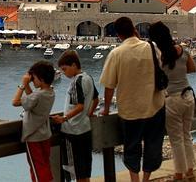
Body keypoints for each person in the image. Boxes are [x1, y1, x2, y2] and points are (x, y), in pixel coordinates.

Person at [100, 17, 166, 182]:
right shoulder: (152, 48)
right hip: (154, 106)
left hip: (130, 111)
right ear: (134, 29)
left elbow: (109, 85)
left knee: (131, 148)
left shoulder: (116, 54)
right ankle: (146, 179)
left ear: (119, 35)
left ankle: (135, 180)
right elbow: (162, 69)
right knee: (153, 146)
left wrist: (106, 109)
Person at [149, 22, 196, 181]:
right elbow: (192, 68)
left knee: (176, 139)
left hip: (172, 99)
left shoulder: (159, 56)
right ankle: (190, 171)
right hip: (188, 96)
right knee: (186, 135)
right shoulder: (183, 50)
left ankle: (178, 174)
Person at [52, 50, 99, 182]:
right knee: (84, 171)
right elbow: (95, 99)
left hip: (72, 131)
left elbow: (79, 106)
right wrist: (88, 115)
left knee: (76, 171)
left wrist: (64, 118)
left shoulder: (75, 82)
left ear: (73, 65)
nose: (64, 73)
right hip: (85, 129)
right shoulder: (88, 77)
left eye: (65, 69)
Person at [12, 61, 56, 182]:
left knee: (37, 168)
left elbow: (15, 102)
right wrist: (28, 85)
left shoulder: (38, 96)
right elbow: (32, 100)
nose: (32, 80)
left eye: (34, 78)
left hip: (33, 137)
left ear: (41, 78)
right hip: (45, 135)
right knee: (44, 165)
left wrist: (23, 84)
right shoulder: (50, 92)